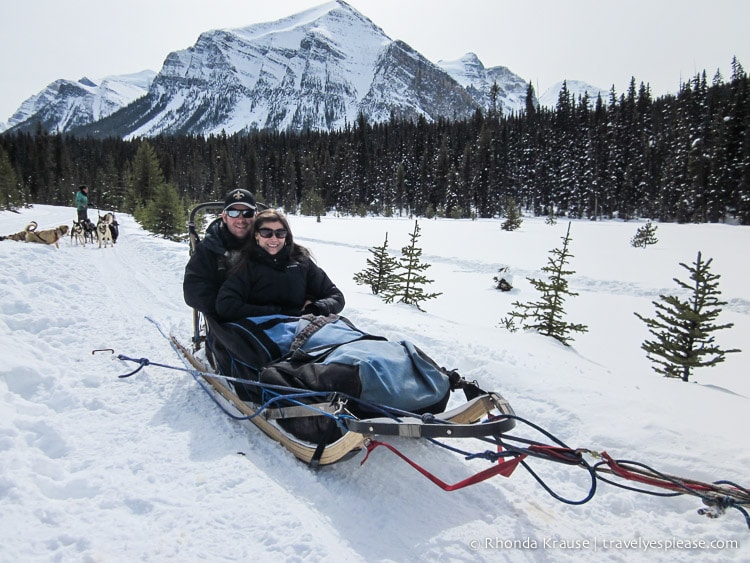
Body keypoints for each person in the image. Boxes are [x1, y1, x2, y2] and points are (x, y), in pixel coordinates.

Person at [215, 209, 344, 321]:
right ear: (256, 235)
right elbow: (226, 305)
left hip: (302, 325)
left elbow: (336, 297)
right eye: (266, 232)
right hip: (263, 331)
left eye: (280, 233)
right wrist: (279, 313)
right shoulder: (246, 265)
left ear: (286, 236)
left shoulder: (301, 262)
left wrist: (315, 308)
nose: (274, 238)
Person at [183, 189, 257, 318]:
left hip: (264, 312)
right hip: (224, 317)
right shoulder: (209, 247)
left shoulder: (268, 240)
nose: (240, 219)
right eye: (233, 213)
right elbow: (194, 290)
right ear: (224, 217)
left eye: (247, 213)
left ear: (256, 216)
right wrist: (228, 306)